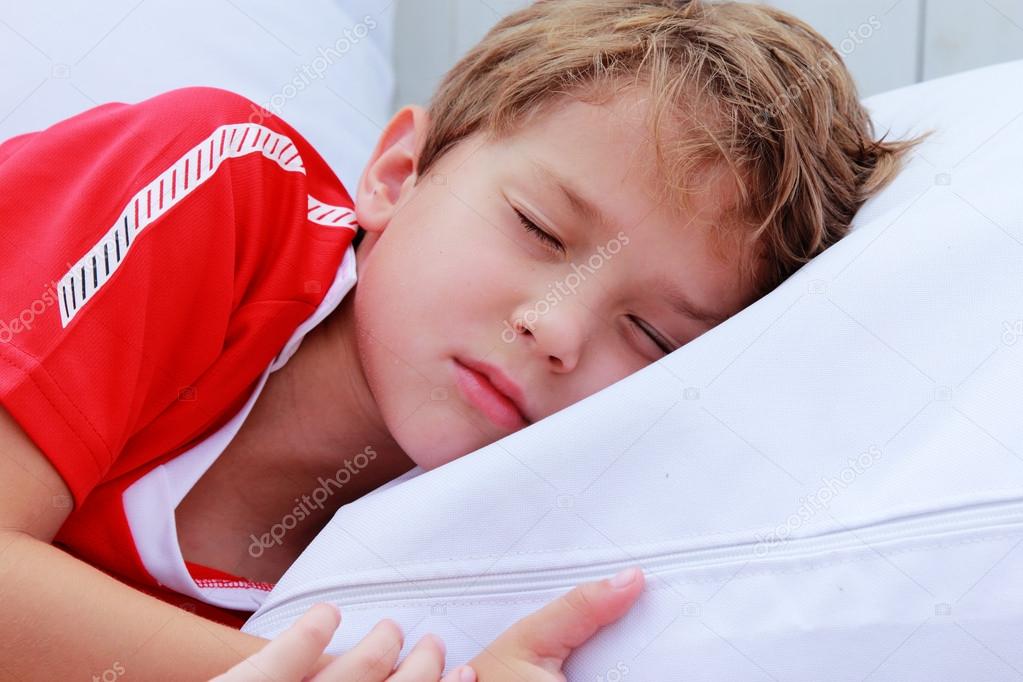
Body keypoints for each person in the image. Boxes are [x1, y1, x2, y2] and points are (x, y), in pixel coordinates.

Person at [0, 0, 918, 678]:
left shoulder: (521, 544)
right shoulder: (217, 183)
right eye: (537, 228)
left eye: (647, 333)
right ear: (397, 173)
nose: (554, 325)